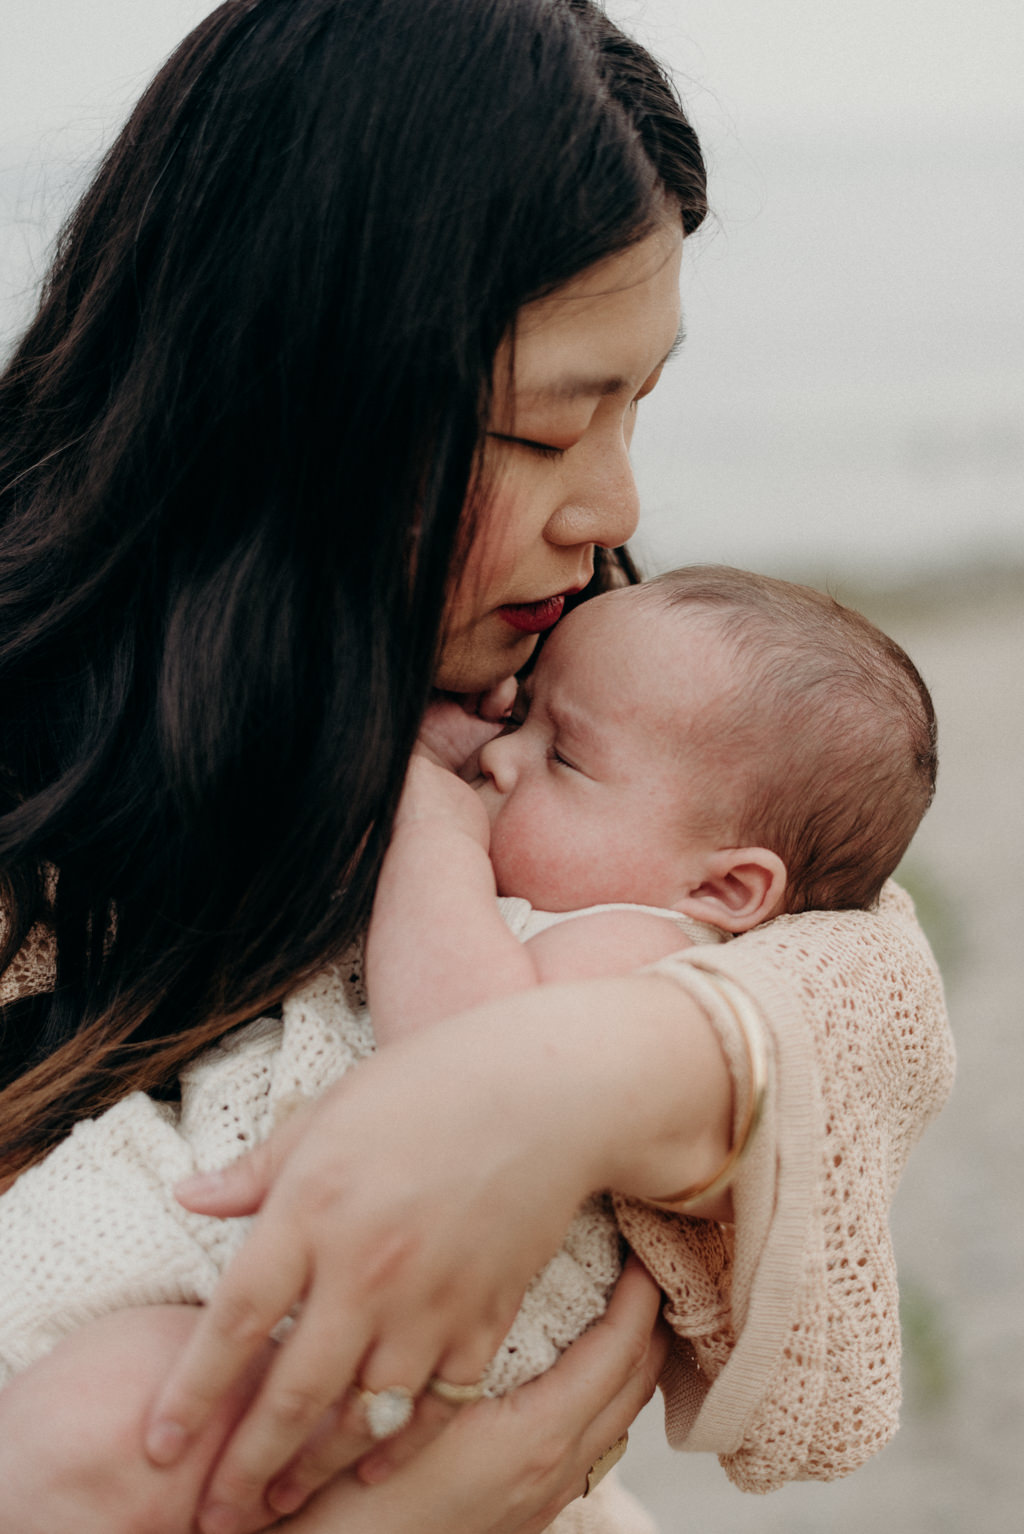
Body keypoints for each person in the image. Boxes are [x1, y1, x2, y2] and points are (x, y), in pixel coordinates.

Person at [0, 3, 954, 1532]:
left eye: (638, 406)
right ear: (296, 394)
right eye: (545, 428)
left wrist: (548, 1083)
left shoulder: (528, 669)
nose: (614, 505)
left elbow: (867, 983)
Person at [0, 564, 942, 1432]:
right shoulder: (573, 878)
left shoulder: (643, 945)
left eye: (563, 755)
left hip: (377, 1295)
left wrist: (430, 827)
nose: (498, 759)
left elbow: (465, 1055)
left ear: (725, 891)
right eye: (520, 714)